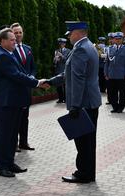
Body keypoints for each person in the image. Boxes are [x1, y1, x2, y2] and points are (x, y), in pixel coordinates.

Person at [44, 21, 102, 183]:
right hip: (90, 101)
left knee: (83, 141)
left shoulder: (80, 49)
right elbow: (68, 74)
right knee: (89, 141)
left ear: (78, 32)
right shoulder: (88, 46)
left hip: (83, 103)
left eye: (70, 33)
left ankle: (83, 173)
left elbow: (78, 79)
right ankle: (88, 172)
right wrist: (51, 80)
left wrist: (75, 106)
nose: (68, 36)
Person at [0, 28, 46, 177]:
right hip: (6, 102)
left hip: (13, 101)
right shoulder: (2, 56)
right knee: (4, 135)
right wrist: (36, 83)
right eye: (11, 39)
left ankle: (9, 162)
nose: (15, 41)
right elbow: (16, 76)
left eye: (15, 40)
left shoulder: (9, 54)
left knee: (11, 134)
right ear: (2, 41)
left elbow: (21, 73)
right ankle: (1, 166)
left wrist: (34, 81)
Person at [11, 22, 37, 151]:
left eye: (20, 32)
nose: (18, 35)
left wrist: (32, 77)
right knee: (15, 117)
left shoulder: (28, 48)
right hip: (15, 88)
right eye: (15, 32)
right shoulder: (9, 50)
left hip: (26, 89)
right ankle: (13, 143)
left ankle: (24, 142)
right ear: (11, 34)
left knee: (24, 117)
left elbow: (32, 67)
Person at [104, 32, 125, 113]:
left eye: (119, 39)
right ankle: (114, 106)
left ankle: (121, 107)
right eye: (116, 39)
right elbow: (107, 62)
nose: (118, 40)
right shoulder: (110, 49)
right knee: (112, 92)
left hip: (121, 75)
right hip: (111, 74)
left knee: (122, 93)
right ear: (114, 39)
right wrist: (106, 73)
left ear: (122, 39)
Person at [53, 38, 70, 103]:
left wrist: (61, 56)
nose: (61, 45)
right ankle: (60, 99)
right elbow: (54, 62)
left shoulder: (68, 51)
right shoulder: (56, 51)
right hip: (58, 70)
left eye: (62, 43)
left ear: (65, 44)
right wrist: (55, 60)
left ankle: (66, 99)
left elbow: (67, 61)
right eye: (60, 43)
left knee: (65, 85)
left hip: (65, 70)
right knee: (58, 86)